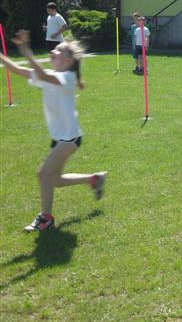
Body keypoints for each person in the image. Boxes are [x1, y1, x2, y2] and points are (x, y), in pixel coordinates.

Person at [0, 30, 106, 232]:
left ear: (68, 61)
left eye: (58, 50)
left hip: (69, 138)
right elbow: (16, 69)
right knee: (54, 180)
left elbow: (42, 74)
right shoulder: (50, 76)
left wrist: (26, 50)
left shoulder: (67, 77)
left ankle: (45, 219)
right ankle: (94, 179)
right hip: (60, 138)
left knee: (43, 174)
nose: (53, 51)